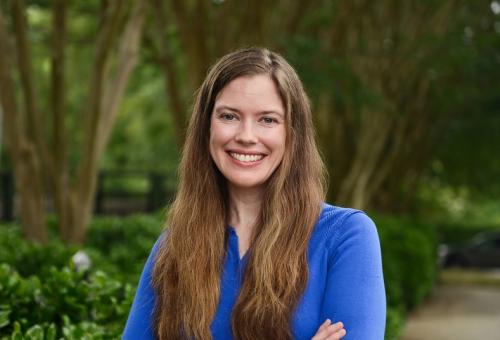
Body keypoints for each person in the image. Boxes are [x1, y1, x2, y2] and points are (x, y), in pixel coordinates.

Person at [123, 48, 386, 339]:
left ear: (292, 133)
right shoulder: (174, 247)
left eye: (268, 120)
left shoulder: (346, 236)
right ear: (205, 127)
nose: (247, 136)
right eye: (229, 116)